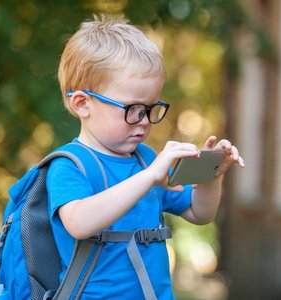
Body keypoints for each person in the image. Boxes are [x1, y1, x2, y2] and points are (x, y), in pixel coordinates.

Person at [48, 14, 245, 299]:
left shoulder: (144, 159)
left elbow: (199, 213)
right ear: (83, 104)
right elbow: (79, 223)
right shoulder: (70, 164)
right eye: (132, 108)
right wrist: (150, 176)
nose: (143, 120)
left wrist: (211, 174)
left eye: (150, 108)